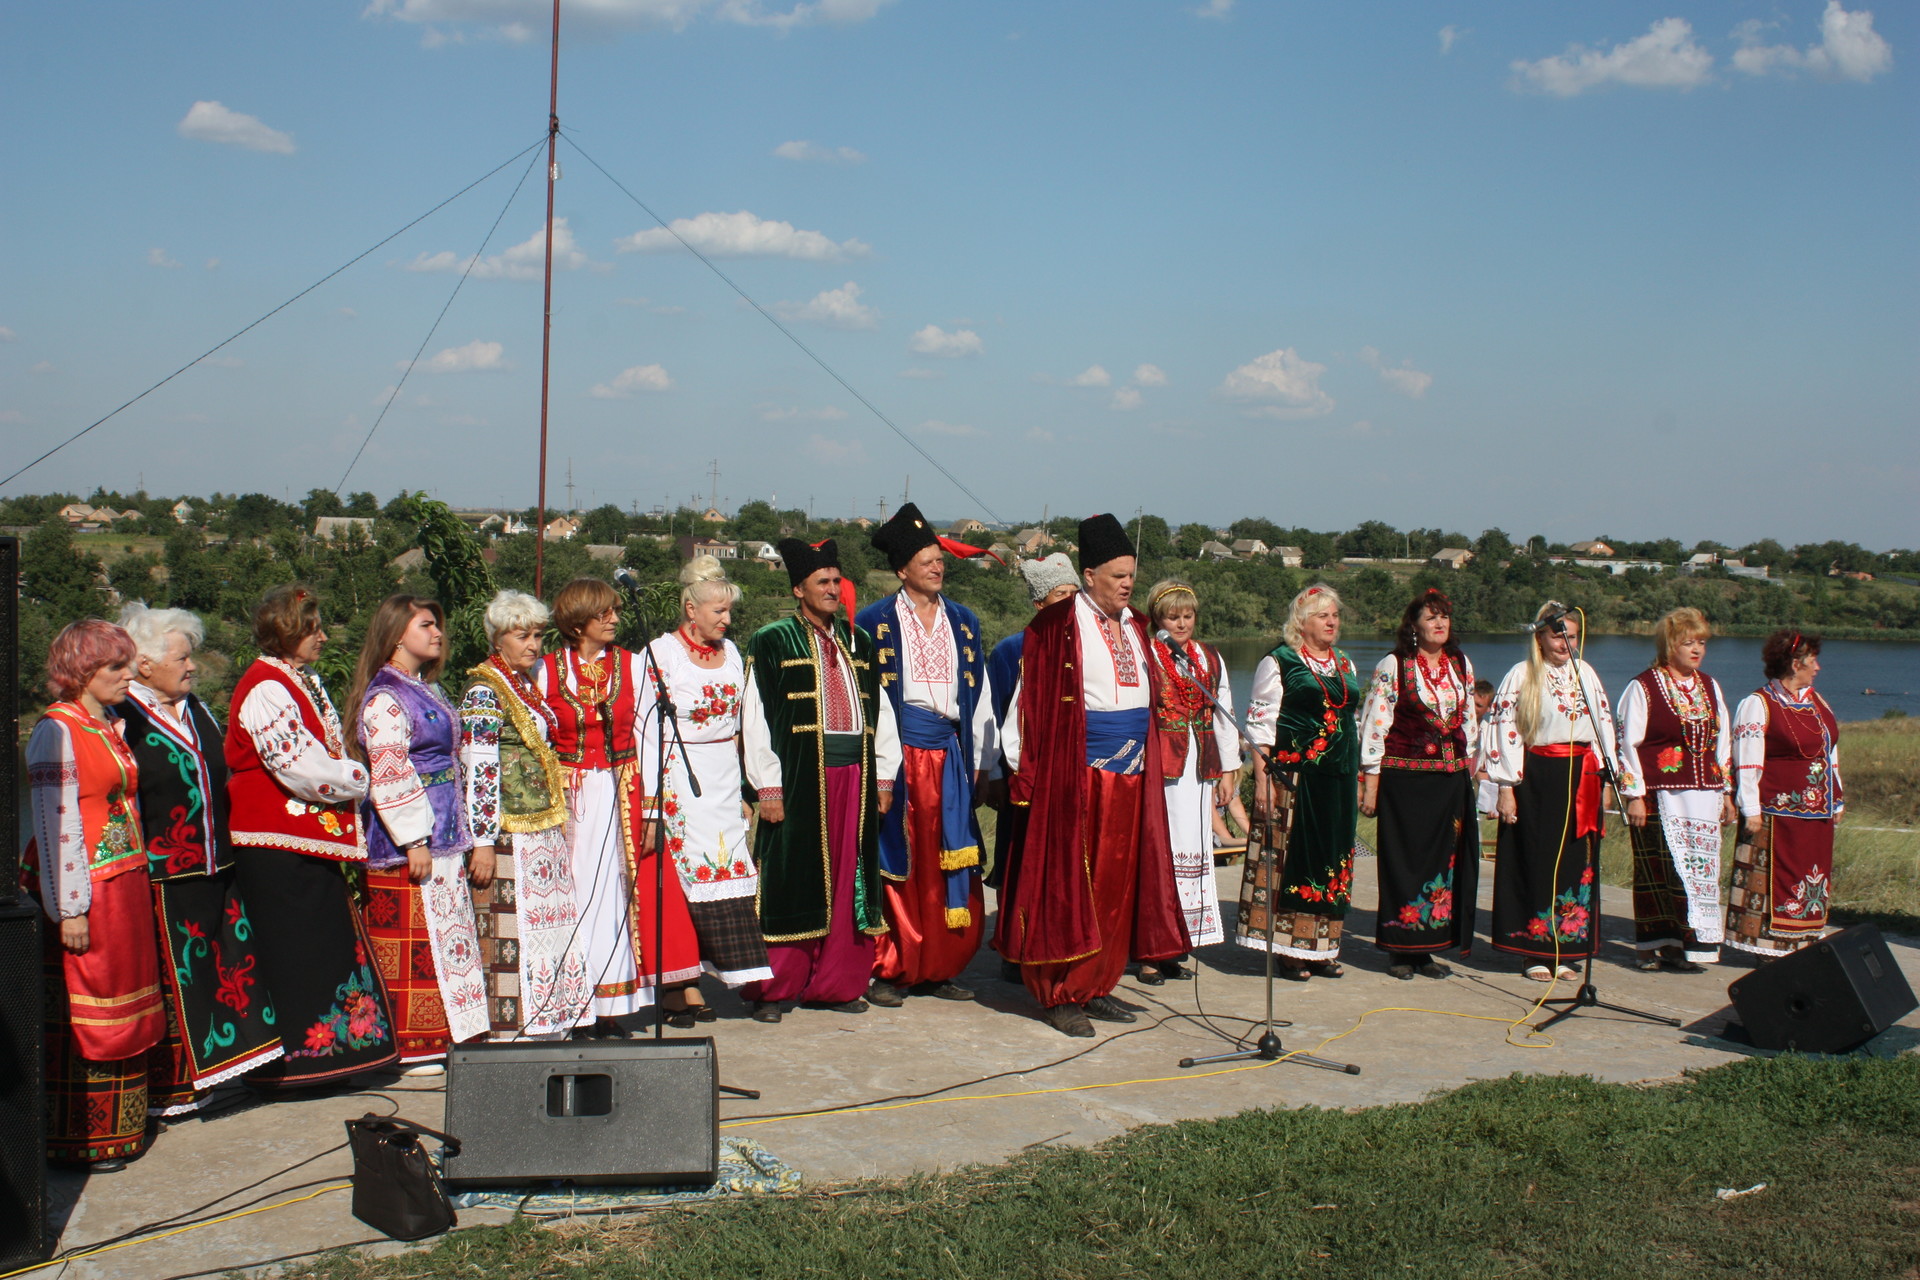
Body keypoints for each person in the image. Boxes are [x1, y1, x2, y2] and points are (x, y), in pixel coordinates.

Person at [999, 514, 1187, 1037]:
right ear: (1089, 575)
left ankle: (1096, 985)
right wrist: (1028, 776)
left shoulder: (1137, 626)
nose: (1128, 584)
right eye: (1117, 575)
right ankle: (1058, 992)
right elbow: (1027, 708)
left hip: (1132, 773)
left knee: (1116, 886)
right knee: (1069, 886)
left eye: (1132, 574)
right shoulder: (1055, 627)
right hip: (1077, 775)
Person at [227, 585, 398, 1085]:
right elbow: (299, 767)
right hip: (275, 846)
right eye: (312, 629)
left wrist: (344, 772)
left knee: (322, 946)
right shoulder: (265, 688)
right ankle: (301, 1064)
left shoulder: (297, 681)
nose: (322, 637)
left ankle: (339, 1056)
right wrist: (360, 779)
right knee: (296, 952)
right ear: (287, 632)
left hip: (303, 842)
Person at [116, 603, 282, 1116]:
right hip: (164, 878)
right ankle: (174, 1090)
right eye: (182, 657)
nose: (192, 666)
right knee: (176, 981)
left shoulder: (197, 709)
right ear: (145, 665)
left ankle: (233, 1073)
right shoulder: (124, 717)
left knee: (227, 972)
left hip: (218, 868)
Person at [740, 539, 901, 1022]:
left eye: (836, 581)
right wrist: (767, 787)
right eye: (822, 582)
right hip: (798, 779)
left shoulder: (860, 643)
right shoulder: (772, 640)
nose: (832, 589)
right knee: (794, 877)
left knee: (850, 874)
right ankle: (776, 987)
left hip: (856, 774)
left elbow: (882, 714)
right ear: (798, 589)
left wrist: (885, 776)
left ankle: (838, 982)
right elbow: (755, 718)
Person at [27, 621, 165, 1168]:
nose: (128, 675)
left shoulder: (106, 723)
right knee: (90, 1007)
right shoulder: (55, 731)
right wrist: (69, 908)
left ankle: (124, 1126)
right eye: (115, 667)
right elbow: (53, 821)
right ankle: (81, 1138)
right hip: (90, 889)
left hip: (123, 879)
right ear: (82, 671)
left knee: (126, 1003)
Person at [538, 577, 702, 1037]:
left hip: (620, 790)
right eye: (603, 613)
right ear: (577, 622)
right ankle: (568, 1000)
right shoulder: (547, 671)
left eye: (614, 611)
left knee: (613, 896)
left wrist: (651, 810)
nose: (614, 619)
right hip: (568, 795)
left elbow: (652, 740)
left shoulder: (633, 666)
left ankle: (609, 1006)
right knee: (565, 894)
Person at [857, 502, 992, 1007]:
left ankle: (940, 964)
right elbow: (869, 703)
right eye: (926, 560)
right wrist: (881, 772)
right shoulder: (873, 622)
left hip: (950, 756)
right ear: (901, 570)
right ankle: (894, 966)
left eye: (940, 559)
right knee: (902, 860)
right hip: (900, 755)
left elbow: (978, 703)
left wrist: (982, 765)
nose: (937, 567)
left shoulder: (964, 620)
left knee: (948, 861)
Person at [346, 596, 488, 1073]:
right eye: (426, 625)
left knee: (443, 937)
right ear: (396, 633)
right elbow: (389, 771)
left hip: (443, 831)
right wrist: (413, 839)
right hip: (408, 841)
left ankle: (448, 1035)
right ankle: (413, 1044)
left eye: (437, 625)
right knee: (414, 942)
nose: (437, 634)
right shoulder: (387, 697)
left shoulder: (425, 688)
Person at [635, 557, 774, 1024]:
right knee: (678, 884)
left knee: (725, 870)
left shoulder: (732, 654)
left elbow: (746, 720)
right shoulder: (660, 654)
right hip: (677, 774)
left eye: (729, 611)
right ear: (690, 608)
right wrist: (653, 800)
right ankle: (679, 984)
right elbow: (646, 731)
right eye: (718, 610)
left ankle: (723, 972)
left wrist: (750, 785)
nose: (727, 619)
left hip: (721, 775)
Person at [459, 589, 593, 1040]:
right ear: (499, 639)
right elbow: (480, 768)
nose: (534, 644)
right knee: (511, 928)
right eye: (522, 635)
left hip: (541, 823)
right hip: (506, 829)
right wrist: (481, 840)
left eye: (538, 634)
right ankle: (511, 1025)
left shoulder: (523, 684)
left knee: (547, 923)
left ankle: (549, 1016)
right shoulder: (484, 689)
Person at [1482, 601, 1621, 982]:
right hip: (1537, 775)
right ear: (1540, 637)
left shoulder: (1586, 673)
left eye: (1572, 636)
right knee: (1538, 859)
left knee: (1576, 862)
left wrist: (1607, 777)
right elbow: (1504, 729)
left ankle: (1566, 945)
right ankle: (1533, 950)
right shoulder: (1522, 674)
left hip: (1582, 775)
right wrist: (1506, 787)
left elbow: (1605, 724)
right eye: (1557, 635)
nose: (1565, 643)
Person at [1242, 585, 1364, 979]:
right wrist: (1262, 784)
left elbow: (1352, 723)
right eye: (1322, 615)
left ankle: (1323, 946)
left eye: (1335, 615)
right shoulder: (1280, 662)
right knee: (1294, 862)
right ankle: (1289, 949)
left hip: (1339, 779)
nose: (1332, 622)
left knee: (1334, 861)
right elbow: (1261, 729)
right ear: (1301, 621)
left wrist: (1359, 775)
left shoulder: (1344, 662)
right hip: (1296, 779)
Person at [1357, 588, 1479, 979]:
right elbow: (1375, 723)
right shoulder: (1394, 665)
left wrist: (1470, 765)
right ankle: (1399, 949)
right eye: (1430, 618)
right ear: (1414, 626)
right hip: (1405, 779)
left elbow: (1470, 718)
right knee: (1404, 862)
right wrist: (1370, 781)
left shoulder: (1460, 663)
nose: (1439, 624)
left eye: (1444, 617)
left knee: (1442, 863)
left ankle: (1427, 948)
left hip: (1449, 780)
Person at [1617, 607, 1735, 972]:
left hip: (1704, 795)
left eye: (1701, 642)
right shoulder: (1644, 687)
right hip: (1659, 795)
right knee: (1656, 870)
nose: (1697, 649)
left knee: (1696, 874)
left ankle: (1685, 944)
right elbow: (1626, 742)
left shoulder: (1710, 686)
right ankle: (1650, 945)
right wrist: (1634, 794)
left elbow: (1723, 742)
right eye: (1688, 642)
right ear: (1670, 645)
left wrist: (1726, 792)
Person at [982, 552, 1079, 985]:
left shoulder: (1085, 644)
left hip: (1070, 777)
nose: (1070, 603)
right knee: (1017, 859)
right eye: (1061, 595)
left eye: (1075, 595)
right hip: (1024, 775)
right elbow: (996, 713)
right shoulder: (1011, 650)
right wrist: (1000, 775)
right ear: (1040, 602)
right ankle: (1013, 945)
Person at [1141, 578, 1239, 983]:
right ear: (1157, 619)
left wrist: (1229, 770)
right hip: (1162, 767)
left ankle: (1178, 945)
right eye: (1172, 617)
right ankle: (1150, 950)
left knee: (1194, 852)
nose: (1182, 624)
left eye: (1188, 616)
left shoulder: (1209, 658)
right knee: (1160, 852)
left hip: (1200, 767)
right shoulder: (1148, 654)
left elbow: (1225, 712)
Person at [1725, 630, 1843, 957]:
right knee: (1776, 880)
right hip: (1776, 815)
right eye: (1812, 660)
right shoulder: (1758, 704)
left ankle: (1802, 944)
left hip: (1815, 817)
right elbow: (1747, 762)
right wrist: (1750, 808)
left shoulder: (1816, 701)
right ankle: (1770, 950)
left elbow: (1829, 752)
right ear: (1794, 663)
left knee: (1810, 881)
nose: (1817, 667)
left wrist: (1837, 796)